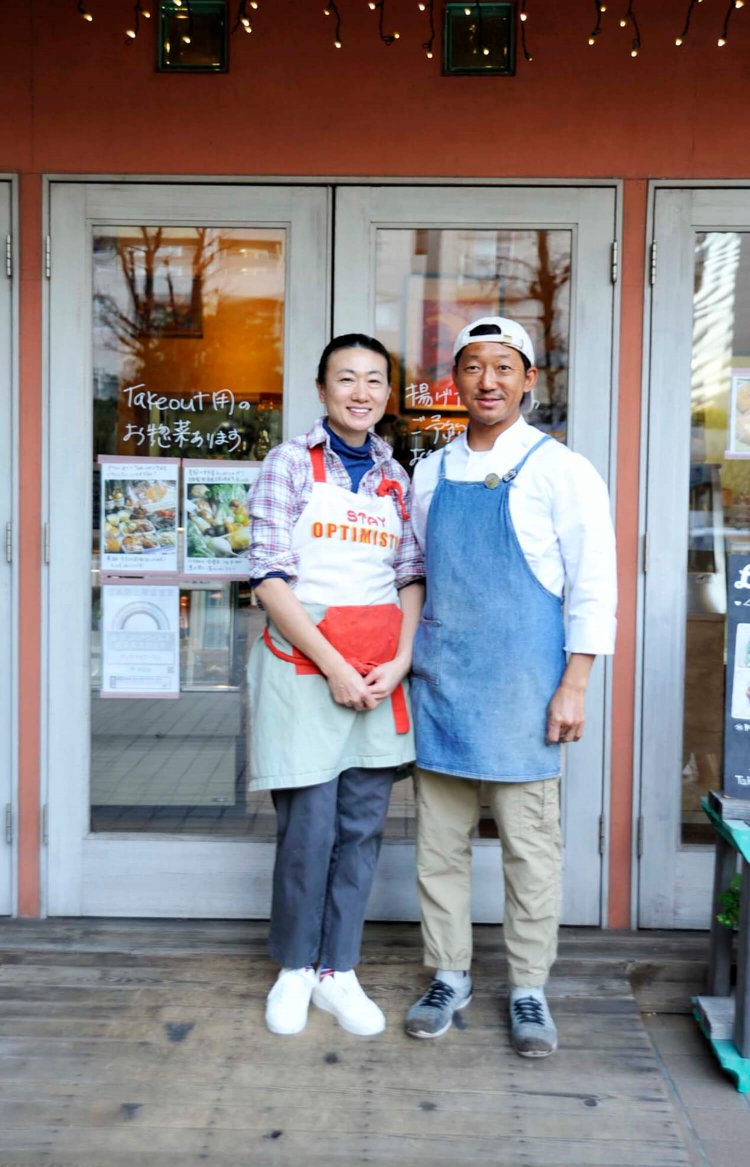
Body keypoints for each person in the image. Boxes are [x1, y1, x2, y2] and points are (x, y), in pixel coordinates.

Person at [404, 316, 617, 1057]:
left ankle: (528, 987)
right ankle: (449, 973)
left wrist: (576, 682)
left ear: (530, 379)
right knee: (439, 847)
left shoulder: (562, 469)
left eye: (504, 366)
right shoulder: (429, 472)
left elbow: (595, 584)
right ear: (454, 380)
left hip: (527, 691)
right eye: (472, 366)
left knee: (532, 850)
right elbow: (417, 575)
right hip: (443, 687)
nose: (487, 380)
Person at [247, 333, 424, 1038]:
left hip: (379, 670)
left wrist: (402, 659)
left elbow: (411, 575)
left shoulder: (396, 476)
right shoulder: (288, 463)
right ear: (321, 389)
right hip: (305, 663)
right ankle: (294, 966)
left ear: (387, 394)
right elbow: (268, 579)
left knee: (361, 828)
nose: (361, 392)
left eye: (374, 380)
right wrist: (334, 665)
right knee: (309, 827)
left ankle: (337, 970)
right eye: (346, 378)